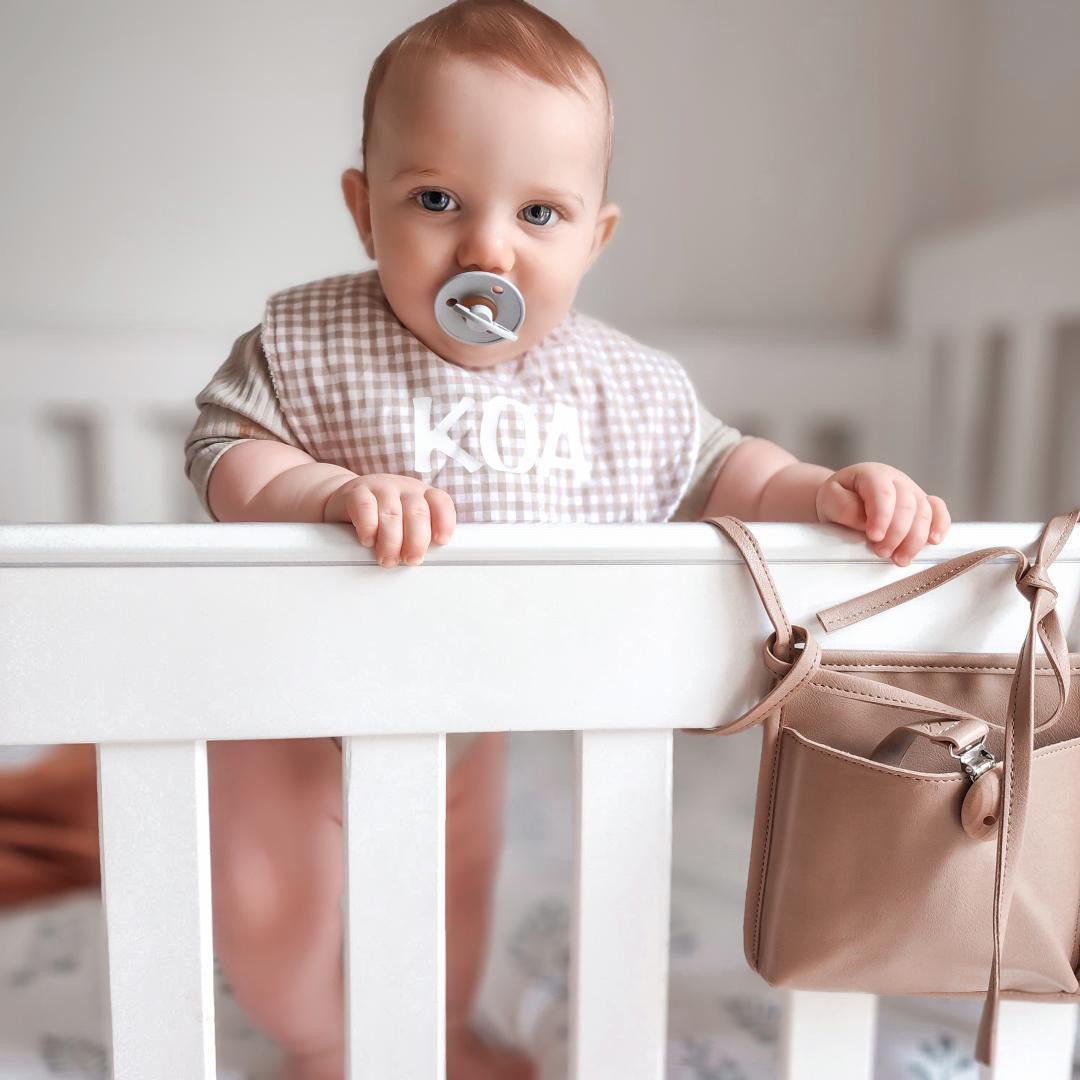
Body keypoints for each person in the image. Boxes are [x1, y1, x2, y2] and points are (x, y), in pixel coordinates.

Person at [183, 2, 951, 1077]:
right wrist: (321, 494)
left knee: (455, 883)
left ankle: (436, 1033)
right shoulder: (312, 343)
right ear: (365, 211)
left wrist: (824, 490)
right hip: (288, 715)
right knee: (276, 914)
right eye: (437, 199)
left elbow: (724, 472)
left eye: (539, 212)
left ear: (595, 237)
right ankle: (316, 1042)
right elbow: (226, 457)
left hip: (470, 711)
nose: (486, 245)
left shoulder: (614, 389)